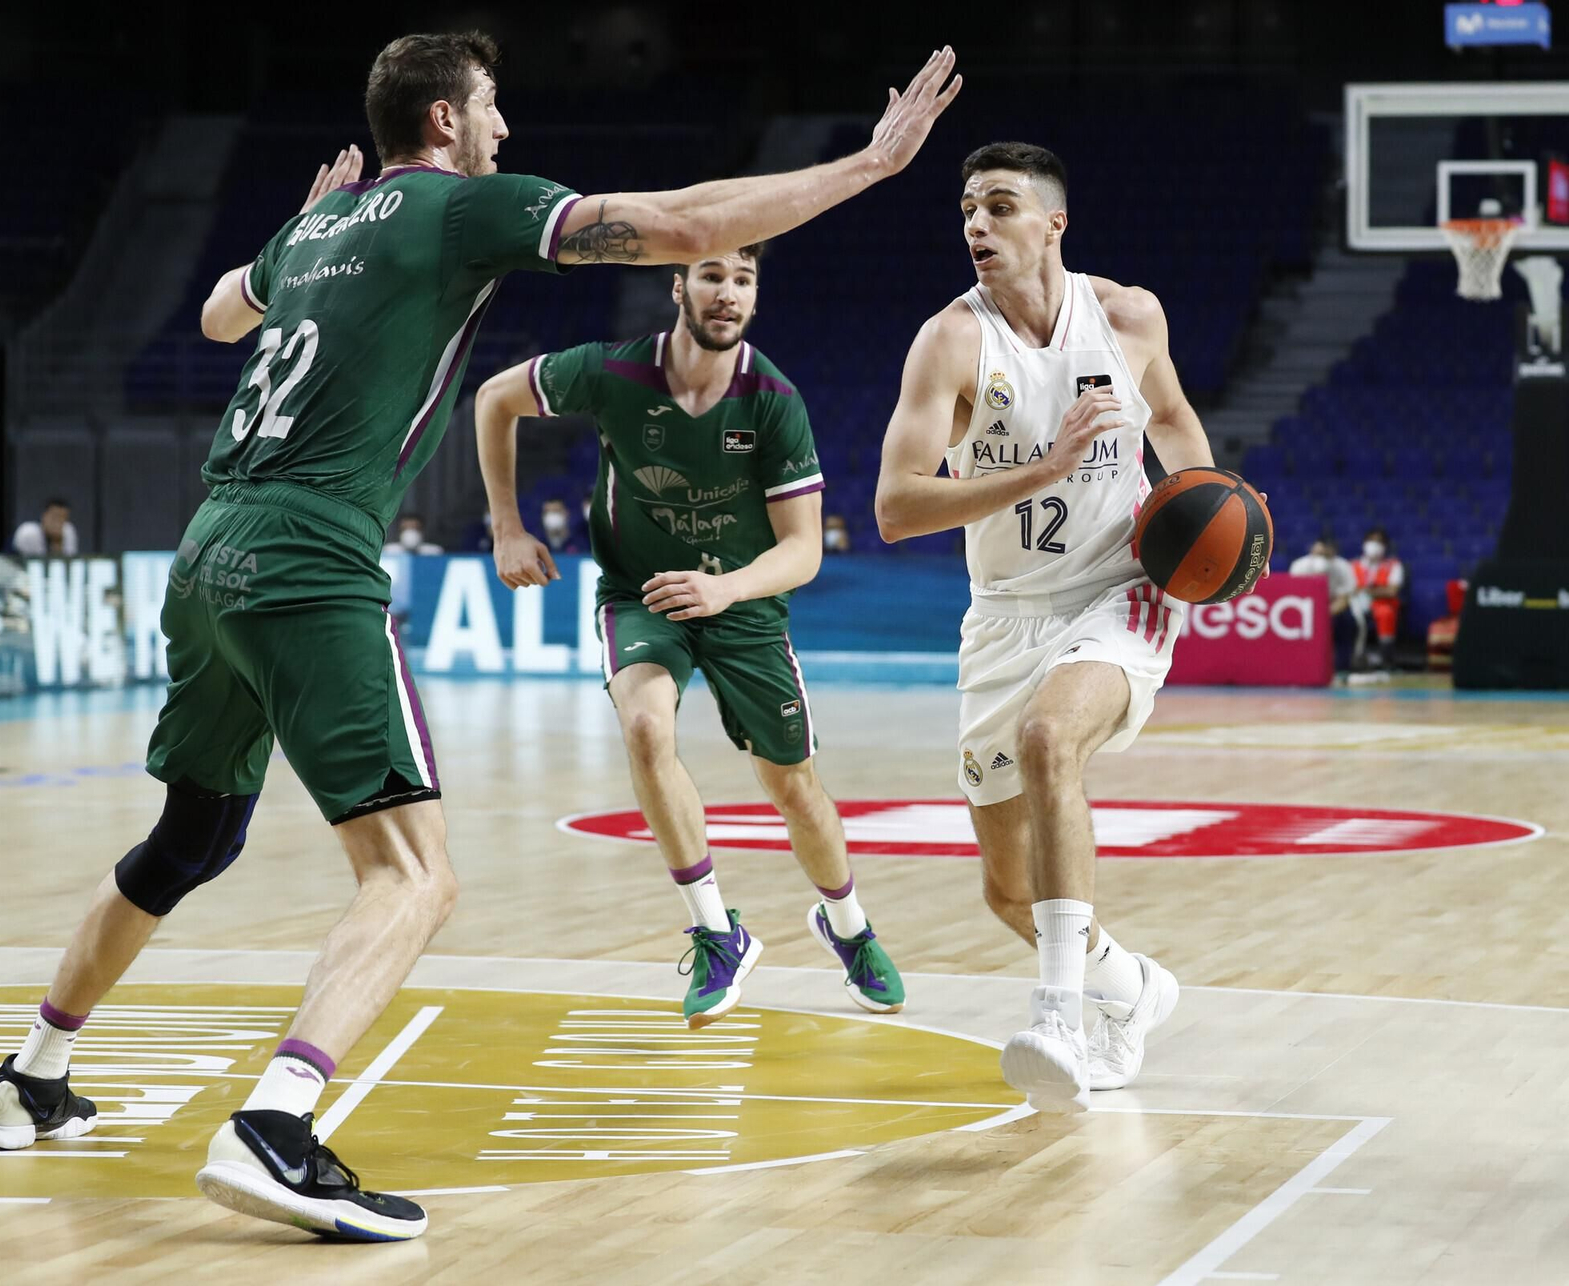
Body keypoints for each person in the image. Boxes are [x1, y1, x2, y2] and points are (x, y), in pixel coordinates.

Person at [0, 31, 961, 1240]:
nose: (505, 130)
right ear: (442, 121)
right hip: (306, 551)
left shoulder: (319, 227)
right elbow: (689, 223)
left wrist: (294, 236)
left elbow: (224, 318)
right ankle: (276, 1124)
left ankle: (28, 1076)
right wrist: (868, 166)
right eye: (491, 107)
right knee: (414, 874)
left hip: (206, 547)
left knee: (190, 833)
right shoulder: (458, 207)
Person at [474, 244, 905, 1028]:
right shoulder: (609, 371)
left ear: (755, 298)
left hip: (741, 604)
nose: (728, 293)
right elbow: (494, 399)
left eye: (744, 280)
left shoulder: (774, 400)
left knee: (793, 789)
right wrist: (506, 524)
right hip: (641, 592)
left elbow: (803, 550)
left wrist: (725, 588)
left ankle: (849, 929)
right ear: (679, 287)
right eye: (712, 275)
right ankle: (716, 930)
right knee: (645, 728)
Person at [874, 141, 1212, 1114]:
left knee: (1049, 735)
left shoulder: (1127, 316)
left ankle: (1059, 1011)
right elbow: (897, 507)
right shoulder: (950, 342)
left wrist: (1213, 513)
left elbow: (1177, 424)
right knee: (1005, 892)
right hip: (1006, 613)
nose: (977, 224)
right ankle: (1129, 986)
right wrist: (1046, 467)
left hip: (1120, 589)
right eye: (968, 208)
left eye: (1000, 206)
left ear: (1052, 223)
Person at [1289, 536, 1360, 671]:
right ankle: (1301, 666)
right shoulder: (1299, 566)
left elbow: (1344, 599)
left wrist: (1325, 614)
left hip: (1334, 608)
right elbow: (1294, 596)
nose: (1321, 559)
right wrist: (1312, 613)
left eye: (1325, 555)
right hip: (1304, 607)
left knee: (1345, 622)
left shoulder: (1343, 567)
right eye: (1318, 554)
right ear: (1311, 551)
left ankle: (1342, 667)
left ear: (1333, 554)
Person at [1351, 526, 1403, 670]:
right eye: (1371, 541)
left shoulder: (1393, 565)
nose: (1374, 545)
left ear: (1385, 546)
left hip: (1382, 604)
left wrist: (1366, 591)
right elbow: (1349, 589)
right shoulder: (1354, 565)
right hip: (1357, 604)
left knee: (1385, 613)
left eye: (1378, 541)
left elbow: (1392, 591)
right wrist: (1376, 590)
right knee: (1350, 616)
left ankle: (1386, 658)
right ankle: (1353, 658)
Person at [10, 498, 79, 558]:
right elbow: (27, 564)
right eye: (54, 517)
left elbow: (65, 565)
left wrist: (58, 543)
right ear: (44, 516)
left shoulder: (68, 531)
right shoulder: (28, 532)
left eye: (63, 518)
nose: (57, 522)